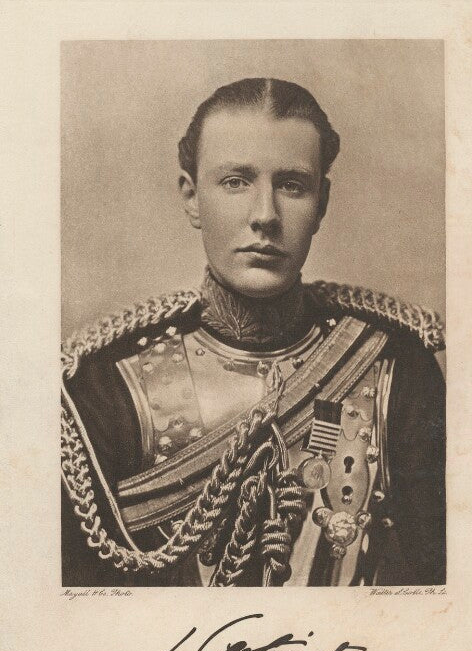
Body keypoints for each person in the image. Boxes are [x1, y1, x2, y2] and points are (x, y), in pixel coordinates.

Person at [61, 77, 445, 588]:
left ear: (322, 202)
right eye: (236, 182)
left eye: (292, 185)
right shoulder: (105, 386)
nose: (265, 216)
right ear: (191, 197)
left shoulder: (397, 366)